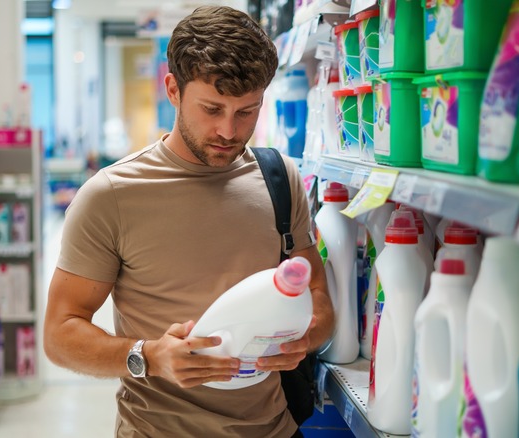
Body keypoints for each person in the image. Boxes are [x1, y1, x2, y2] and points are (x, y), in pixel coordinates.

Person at [43, 5, 334, 437]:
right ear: (173, 90)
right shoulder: (112, 195)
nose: (229, 131)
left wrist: (302, 340)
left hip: (274, 428)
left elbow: (318, 298)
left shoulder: (279, 179)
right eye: (212, 109)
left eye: (246, 111)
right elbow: (60, 333)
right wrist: (148, 356)